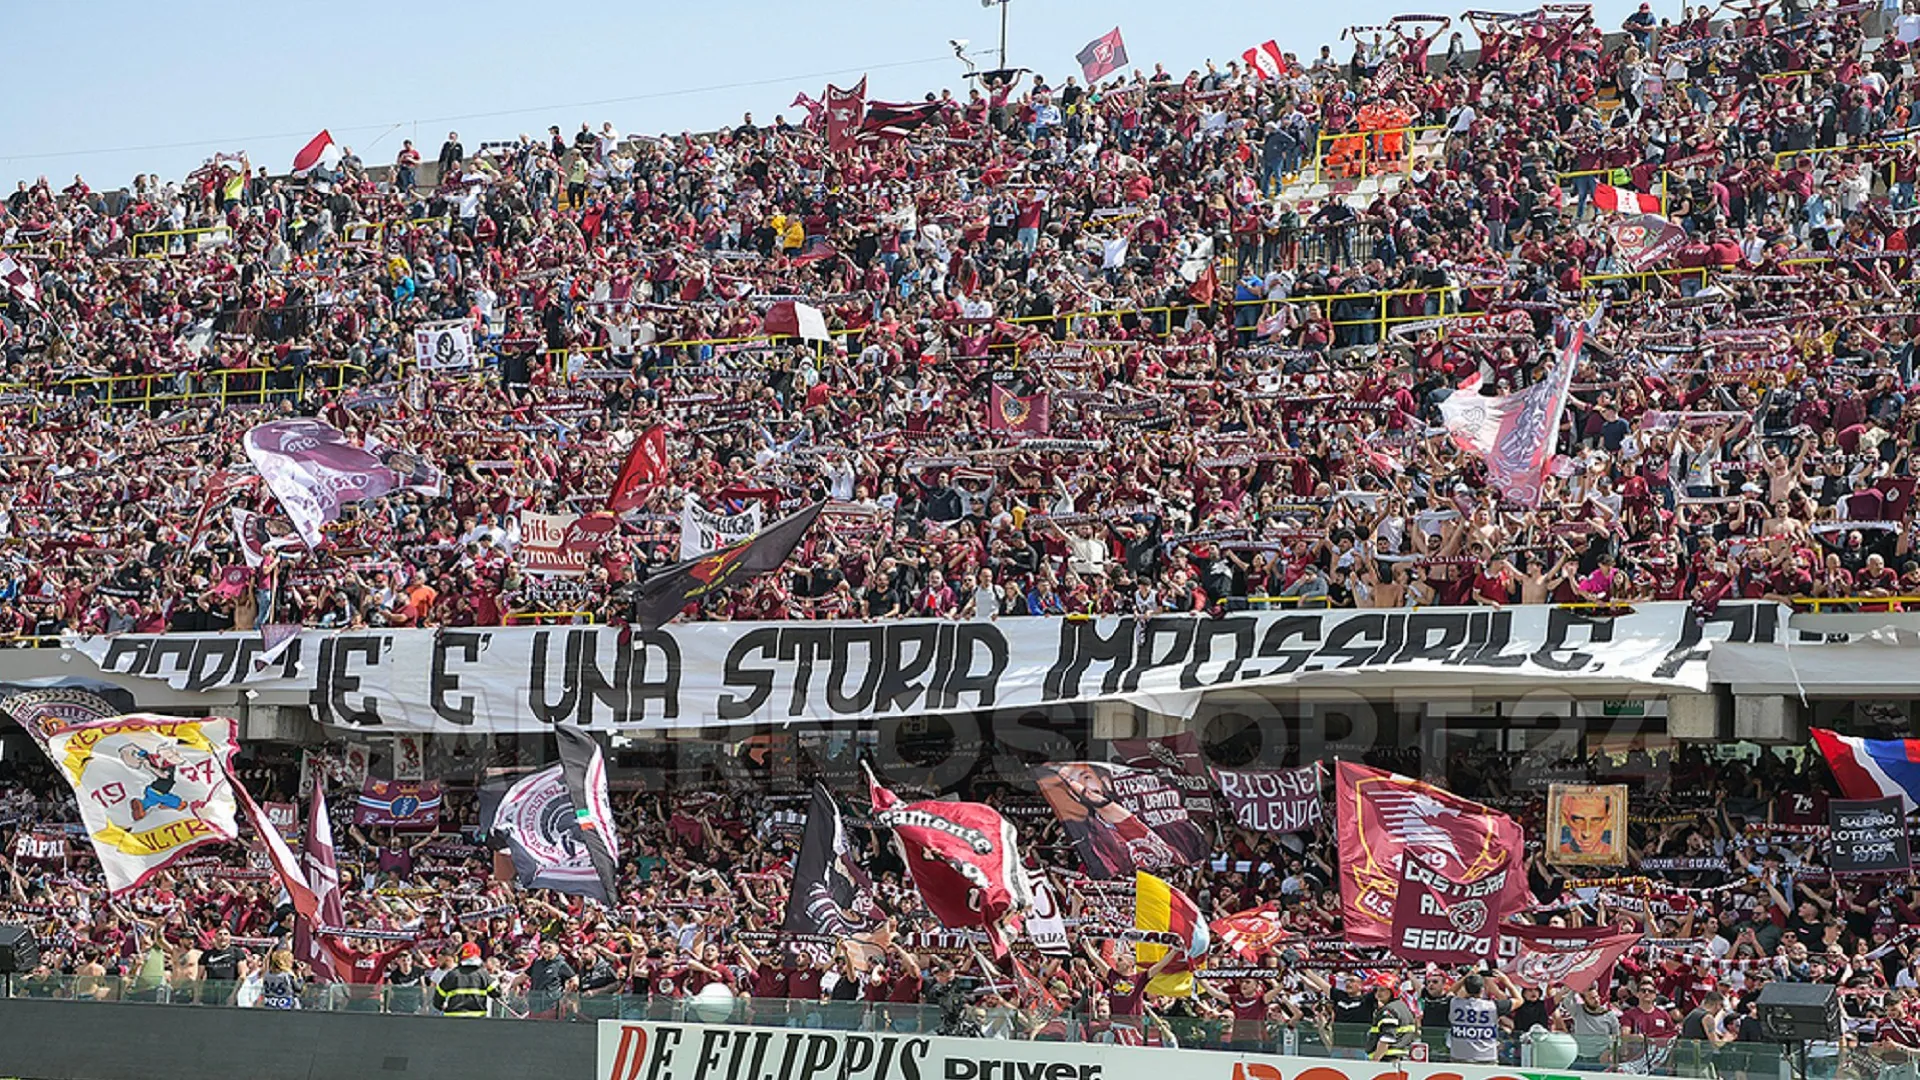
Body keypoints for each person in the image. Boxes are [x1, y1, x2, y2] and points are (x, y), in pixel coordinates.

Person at [434, 943, 498, 1017]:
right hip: (477, 1020)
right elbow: (497, 992)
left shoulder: (452, 974)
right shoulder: (483, 974)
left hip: (453, 1019)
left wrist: (441, 1007)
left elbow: (438, 999)